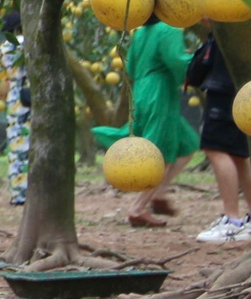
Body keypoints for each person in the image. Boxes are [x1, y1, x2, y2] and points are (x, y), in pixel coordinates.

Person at [92, 13, 199, 227]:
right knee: (162, 154)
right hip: (159, 93)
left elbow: (130, 67)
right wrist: (199, 59)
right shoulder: (168, 29)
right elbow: (176, 61)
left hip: (141, 91)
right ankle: (137, 209)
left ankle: (158, 194)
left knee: (188, 143)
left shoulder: (140, 33)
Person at [185, 31, 250, 242]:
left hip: (227, 89)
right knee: (240, 154)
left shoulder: (231, 12)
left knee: (216, 149)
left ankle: (232, 221)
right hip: (241, 89)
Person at [0, 11, 29, 206]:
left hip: (13, 97)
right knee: (27, 144)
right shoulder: (26, 43)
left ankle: (17, 193)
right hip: (28, 95)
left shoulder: (4, 49)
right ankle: (28, 192)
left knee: (15, 147)